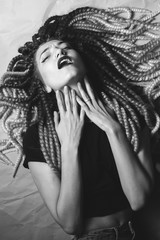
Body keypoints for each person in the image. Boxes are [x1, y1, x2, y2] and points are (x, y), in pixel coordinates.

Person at [0, 6, 159, 240]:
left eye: (66, 49)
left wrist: (113, 129)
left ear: (83, 61)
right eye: (47, 56)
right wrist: (69, 145)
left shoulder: (128, 112)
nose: (58, 52)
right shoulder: (40, 136)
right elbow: (70, 223)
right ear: (44, 84)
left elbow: (138, 199)